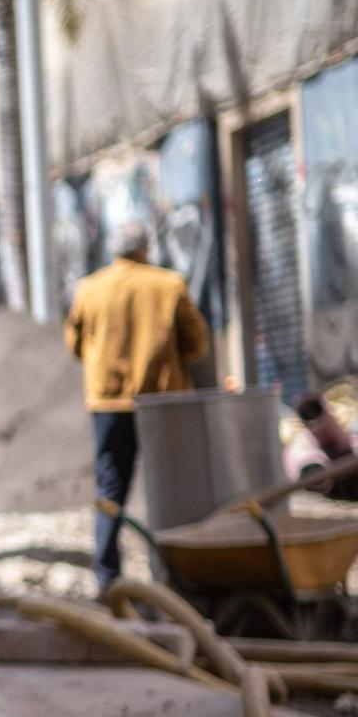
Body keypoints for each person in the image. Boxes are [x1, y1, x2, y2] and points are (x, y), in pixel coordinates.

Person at [66, 219, 210, 591]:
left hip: (109, 402)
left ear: (114, 250)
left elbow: (75, 344)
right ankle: (173, 573)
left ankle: (107, 575)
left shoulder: (89, 289)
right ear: (146, 249)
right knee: (169, 486)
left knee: (111, 486)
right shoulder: (169, 285)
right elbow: (197, 343)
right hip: (162, 403)